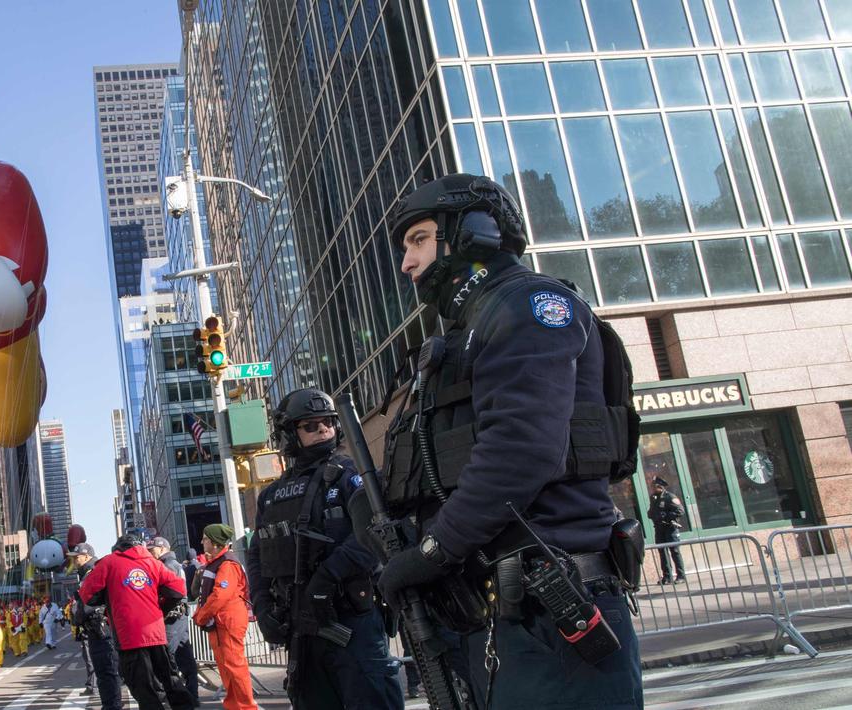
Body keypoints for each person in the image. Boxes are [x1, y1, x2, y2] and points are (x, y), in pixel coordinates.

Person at [377, 173, 643, 708]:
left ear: (472, 232)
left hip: (552, 612)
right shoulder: (458, 337)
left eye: (419, 240)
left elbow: (519, 451)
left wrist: (430, 554)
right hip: (495, 615)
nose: (407, 263)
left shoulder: (529, 305)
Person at [247, 388, 404, 710]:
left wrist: (326, 579)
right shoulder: (271, 495)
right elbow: (257, 554)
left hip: (350, 619)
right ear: (290, 433)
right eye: (311, 425)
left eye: (328, 422)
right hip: (300, 626)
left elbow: (373, 533)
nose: (323, 429)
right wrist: (262, 606)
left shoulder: (350, 476)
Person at [78, 534, 194, 710]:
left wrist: (108, 597)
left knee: (143, 688)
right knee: (171, 681)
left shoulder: (109, 563)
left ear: (117, 548)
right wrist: (161, 607)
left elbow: (87, 594)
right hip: (156, 634)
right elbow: (178, 590)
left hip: (129, 638)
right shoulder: (153, 563)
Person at [194, 525, 256, 710]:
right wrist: (202, 614)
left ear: (214, 542)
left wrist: (201, 615)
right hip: (222, 622)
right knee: (227, 667)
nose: (202, 541)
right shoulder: (220, 562)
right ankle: (235, 705)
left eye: (205, 538)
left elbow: (220, 595)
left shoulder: (227, 564)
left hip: (226, 622)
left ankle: (245, 707)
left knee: (234, 667)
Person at [67, 543, 123, 709]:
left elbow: (86, 603)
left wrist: (77, 616)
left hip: (101, 628)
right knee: (104, 672)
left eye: (76, 557)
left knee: (107, 671)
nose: (74, 560)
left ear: (86, 556)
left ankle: (112, 706)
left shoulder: (93, 572)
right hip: (96, 628)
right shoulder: (88, 573)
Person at [147, 537, 200, 706]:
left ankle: (175, 697)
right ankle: (192, 696)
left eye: (152, 549)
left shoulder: (166, 565)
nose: (150, 552)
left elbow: (171, 593)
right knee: (185, 656)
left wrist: (160, 611)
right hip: (178, 616)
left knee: (165, 657)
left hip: (172, 617)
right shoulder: (174, 564)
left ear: (162, 548)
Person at [648, 477, 687, 584]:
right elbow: (651, 511)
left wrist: (667, 516)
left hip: (670, 528)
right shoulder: (654, 498)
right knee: (662, 552)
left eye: (654, 486)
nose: (652, 488)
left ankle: (681, 576)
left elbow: (680, 511)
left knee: (675, 551)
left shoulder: (670, 497)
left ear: (660, 487)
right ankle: (667, 577)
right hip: (659, 529)